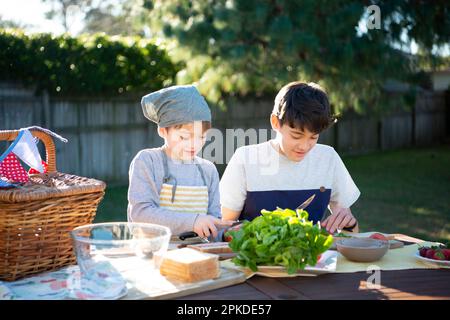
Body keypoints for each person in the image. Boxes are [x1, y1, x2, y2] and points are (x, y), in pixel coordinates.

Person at [219, 81, 361, 234]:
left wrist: (350, 225)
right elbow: (224, 229)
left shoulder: (328, 158)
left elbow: (349, 233)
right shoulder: (245, 159)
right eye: (296, 136)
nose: (304, 146)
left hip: (307, 257)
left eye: (313, 137)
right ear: (275, 122)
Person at [127, 85, 233, 241]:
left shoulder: (208, 170)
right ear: (163, 131)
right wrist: (193, 221)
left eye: (201, 137)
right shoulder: (148, 161)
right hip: (155, 254)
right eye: (184, 137)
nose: (194, 145)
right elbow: (141, 215)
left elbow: (212, 226)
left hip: (198, 256)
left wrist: (228, 233)